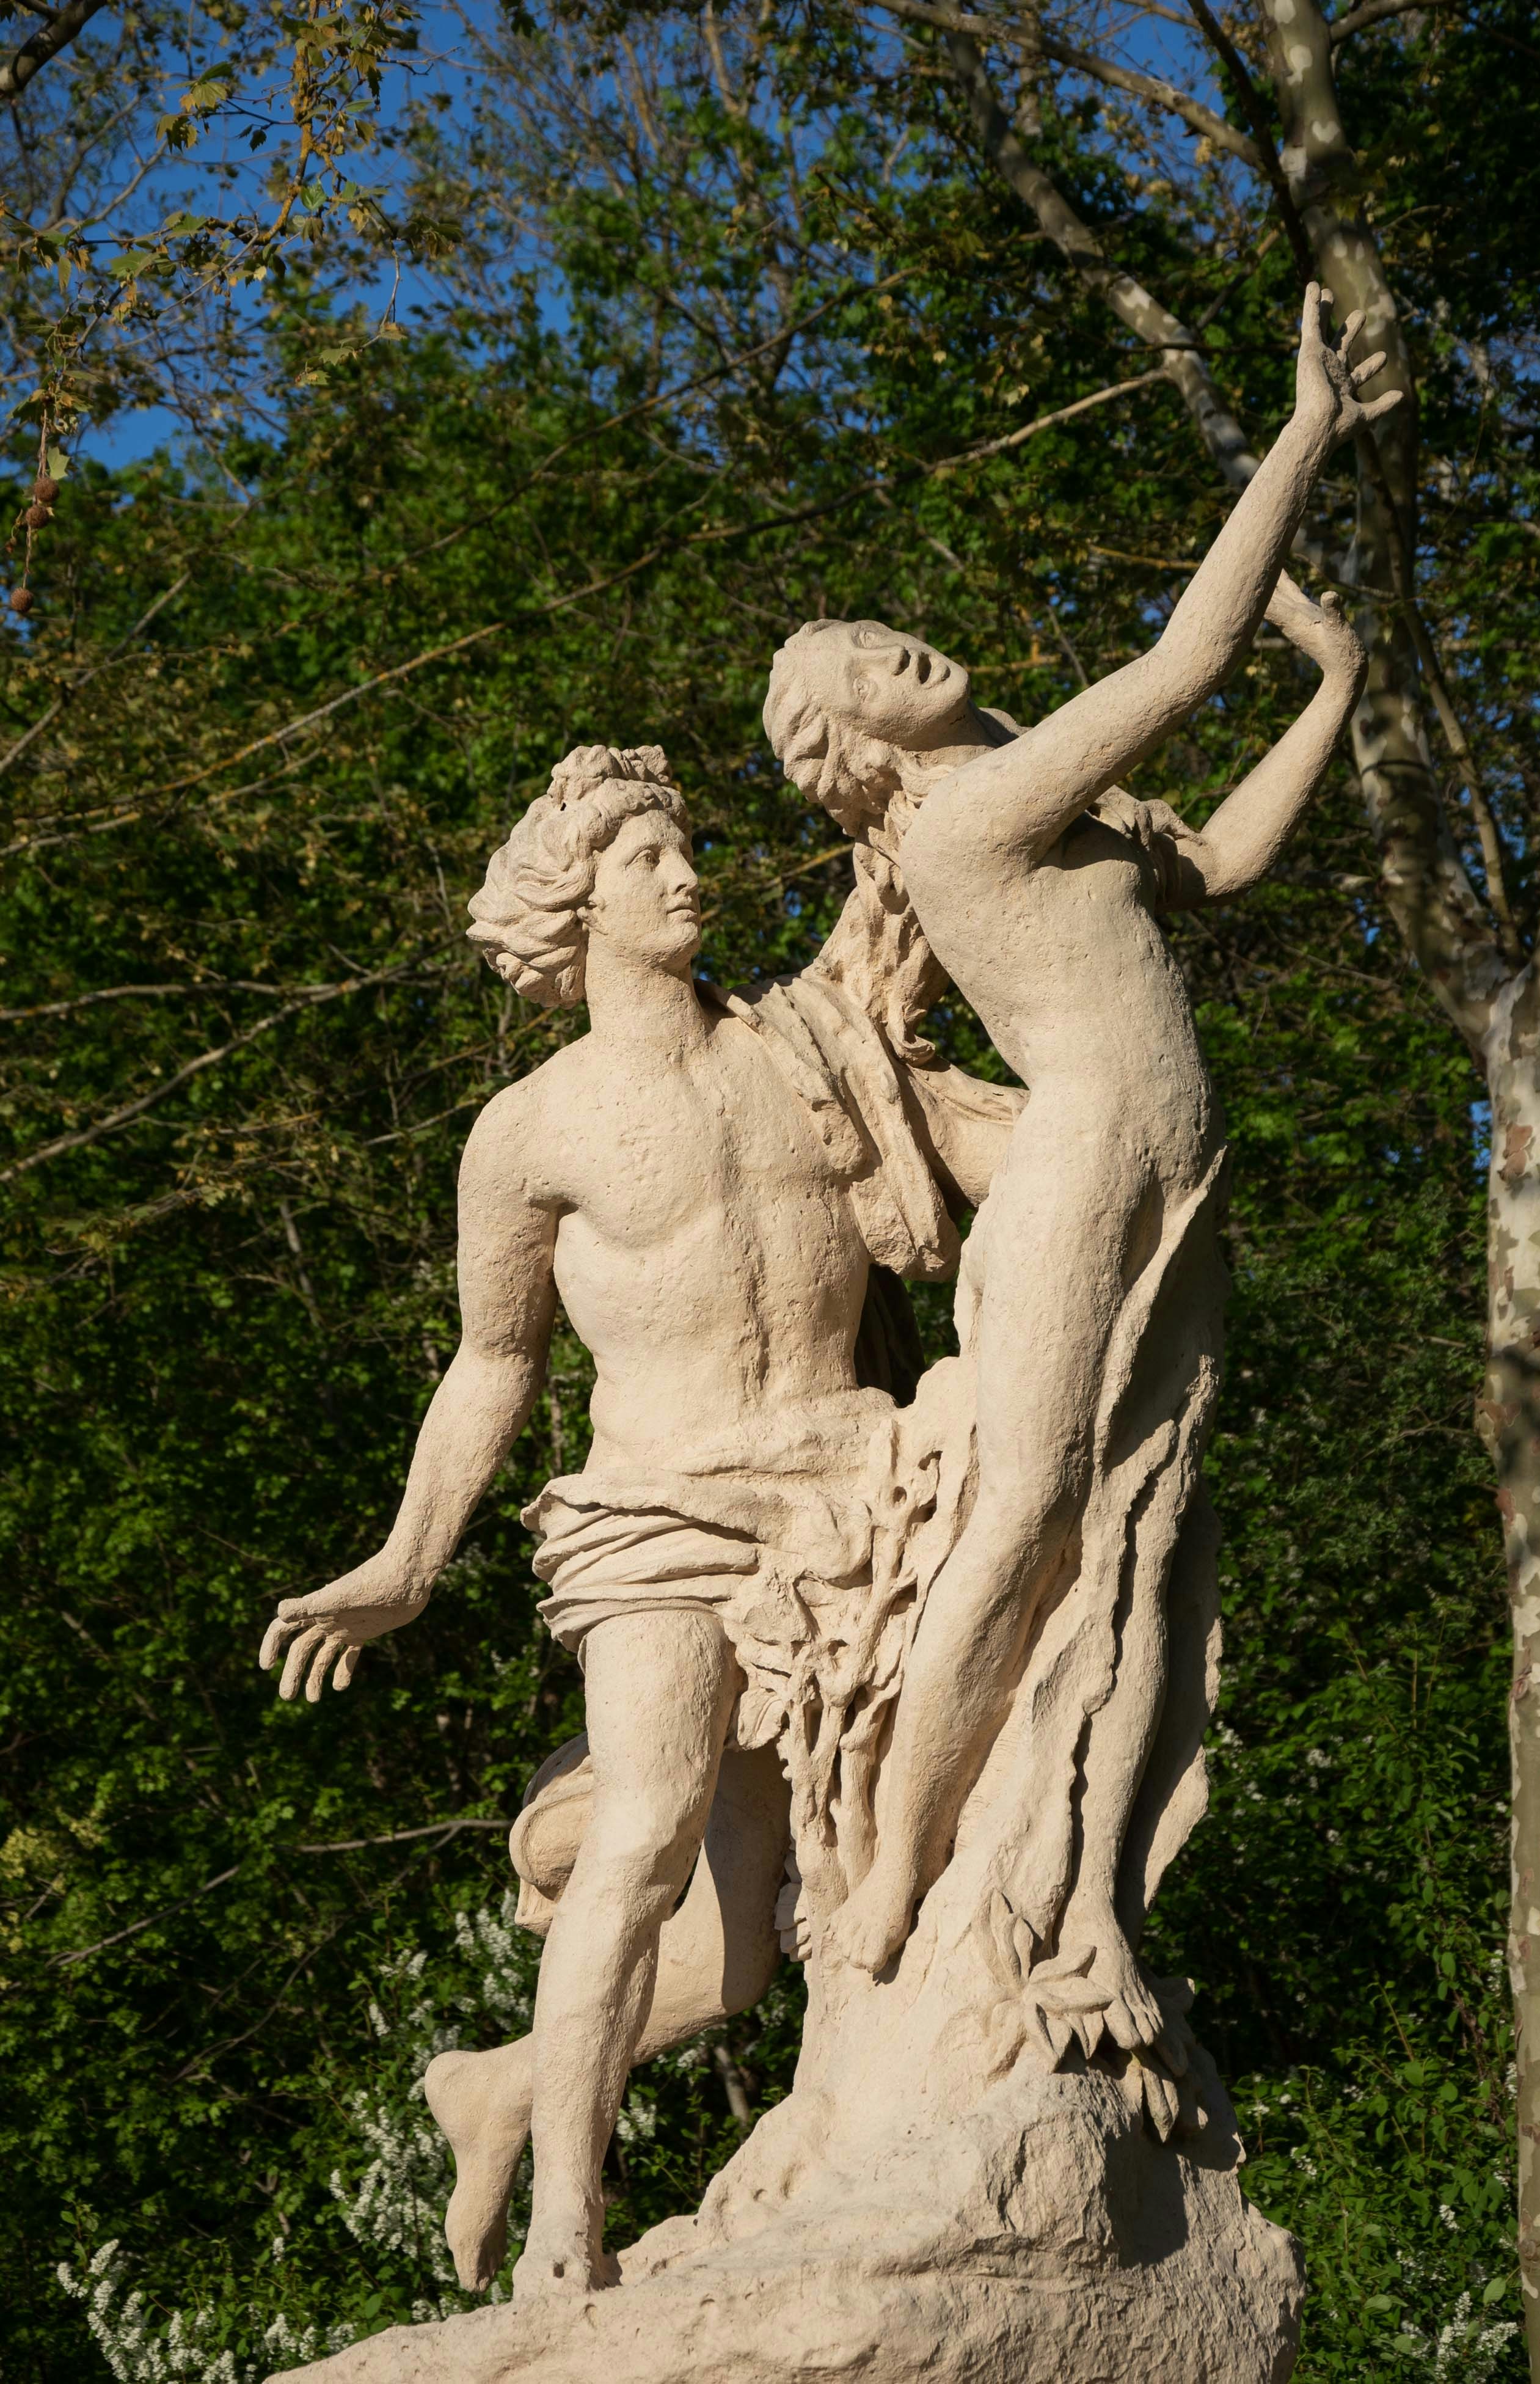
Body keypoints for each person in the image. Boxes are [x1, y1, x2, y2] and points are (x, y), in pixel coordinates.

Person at [258, 742, 998, 2295]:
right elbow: (491, 1362)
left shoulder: (807, 1044)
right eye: (645, 857)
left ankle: (509, 2086)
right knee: (648, 1824)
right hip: (656, 1511)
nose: (684, 873)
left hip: (855, 1493)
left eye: (684, 848)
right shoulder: (526, 1133)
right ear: (573, 898)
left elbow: (948, 882)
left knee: (744, 1957)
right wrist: (406, 1562)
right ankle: (563, 2240)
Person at [762, 288, 1395, 2039]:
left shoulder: (1067, 813)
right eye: (869, 664)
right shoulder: (970, 814)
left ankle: (1090, 1891)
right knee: (1031, 1508)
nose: (907, 650)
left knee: (1148, 1546)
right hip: (1080, 1174)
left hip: (1181, 1190)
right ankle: (895, 1855)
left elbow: (1236, 859)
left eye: (893, 633)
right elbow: (1187, 657)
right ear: (859, 748)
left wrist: (1335, 679)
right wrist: (1301, 431)